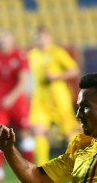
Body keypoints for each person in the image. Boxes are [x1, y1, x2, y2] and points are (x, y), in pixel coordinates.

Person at [0, 29, 34, 183]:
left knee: (25, 133)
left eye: (5, 39)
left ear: (12, 40)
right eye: (0, 40)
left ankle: (30, 169)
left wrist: (12, 97)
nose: (3, 42)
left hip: (17, 102)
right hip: (1, 102)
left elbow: (23, 80)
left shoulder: (19, 56)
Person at [27, 26, 81, 165]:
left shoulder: (57, 52)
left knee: (68, 132)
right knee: (38, 130)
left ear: (49, 38)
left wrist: (57, 76)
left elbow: (74, 70)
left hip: (58, 99)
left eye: (42, 37)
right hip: (40, 100)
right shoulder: (33, 54)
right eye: (37, 38)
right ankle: (42, 168)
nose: (40, 41)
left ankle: (81, 162)